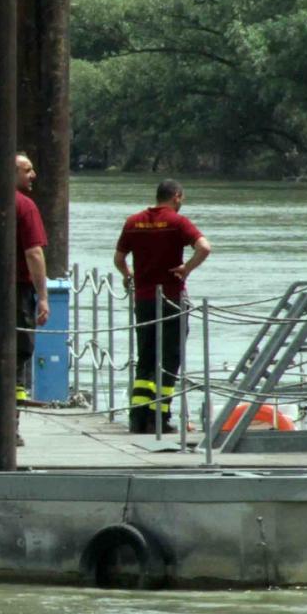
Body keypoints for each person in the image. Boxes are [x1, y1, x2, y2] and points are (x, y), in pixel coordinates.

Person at [113, 179, 212, 434]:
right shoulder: (178, 222)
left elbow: (119, 258)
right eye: (181, 199)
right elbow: (204, 247)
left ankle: (138, 417)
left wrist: (128, 275)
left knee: (145, 357)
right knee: (169, 358)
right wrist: (186, 268)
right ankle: (159, 417)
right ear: (176, 196)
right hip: (171, 298)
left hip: (144, 299)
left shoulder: (133, 222)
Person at [14, 154, 50, 408]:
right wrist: (44, 297)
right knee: (19, 347)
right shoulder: (24, 206)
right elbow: (34, 253)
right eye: (27, 170)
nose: (33, 175)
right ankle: (12, 413)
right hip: (17, 290)